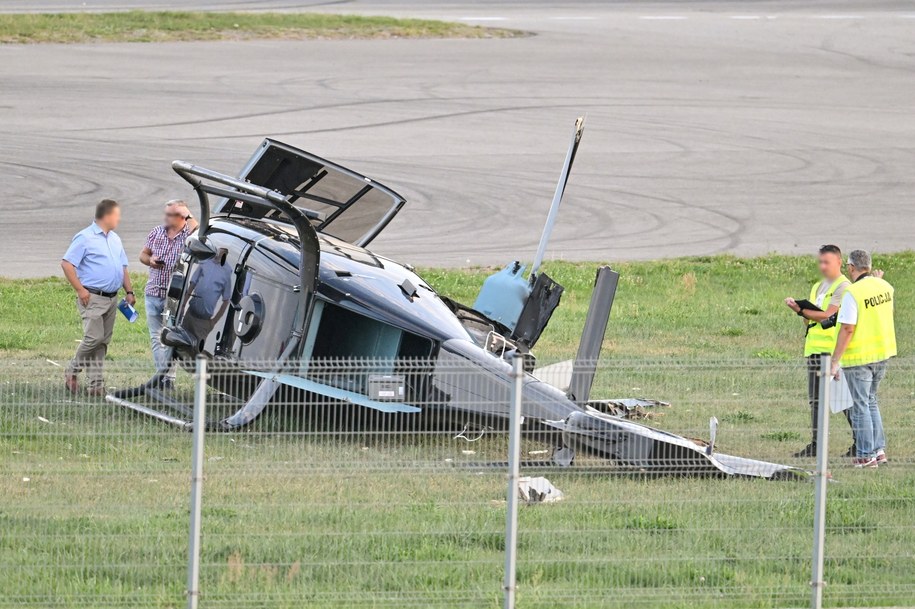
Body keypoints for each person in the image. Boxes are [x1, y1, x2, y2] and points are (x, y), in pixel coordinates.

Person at [784, 245, 854, 458]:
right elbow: (809, 318)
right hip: (814, 349)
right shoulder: (818, 286)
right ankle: (817, 444)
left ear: (839, 263)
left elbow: (828, 316)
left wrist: (802, 310)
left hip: (831, 351)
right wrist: (802, 311)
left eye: (827, 262)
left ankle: (863, 441)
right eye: (820, 262)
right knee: (816, 400)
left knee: (843, 400)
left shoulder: (844, 287)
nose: (823, 267)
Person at [61, 199, 135, 396]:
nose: (119, 219)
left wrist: (129, 291)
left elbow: (123, 267)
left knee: (102, 342)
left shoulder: (115, 238)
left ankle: (96, 385)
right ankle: (72, 370)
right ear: (107, 215)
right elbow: (67, 264)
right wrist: (80, 290)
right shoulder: (84, 237)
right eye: (117, 215)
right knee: (93, 338)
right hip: (92, 297)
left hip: (112, 298)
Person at [830, 250, 896, 468]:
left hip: (860, 357)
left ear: (850, 267)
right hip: (882, 353)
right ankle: (879, 451)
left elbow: (848, 328)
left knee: (860, 406)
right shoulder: (885, 286)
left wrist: (834, 360)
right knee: (871, 401)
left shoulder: (853, 292)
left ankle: (866, 455)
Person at [139, 200, 197, 388]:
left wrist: (189, 215)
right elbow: (143, 255)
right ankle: (162, 378)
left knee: (169, 337)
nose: (165, 218)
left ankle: (167, 378)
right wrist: (151, 260)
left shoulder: (188, 236)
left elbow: (199, 231)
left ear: (182, 217)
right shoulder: (156, 232)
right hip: (153, 291)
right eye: (165, 214)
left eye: (170, 214)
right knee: (156, 337)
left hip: (173, 297)